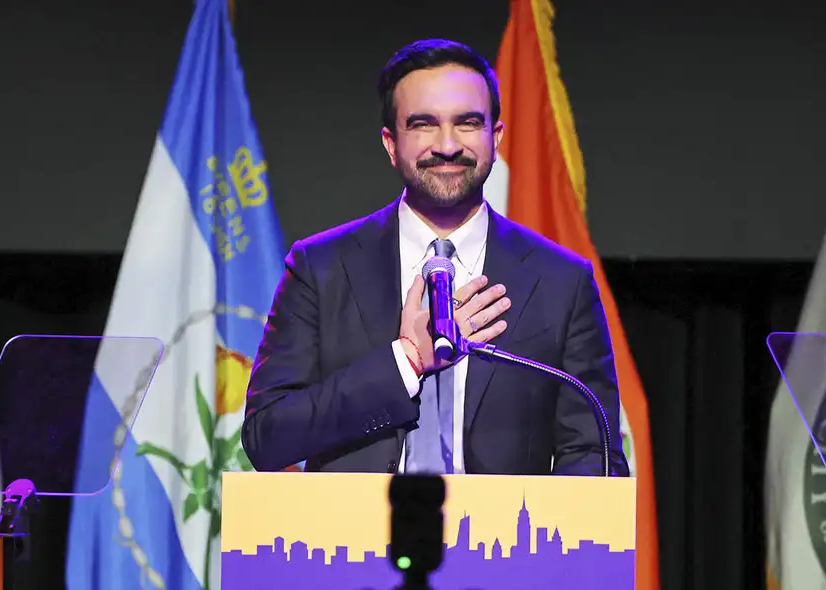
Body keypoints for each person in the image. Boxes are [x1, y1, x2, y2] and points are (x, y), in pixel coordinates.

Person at [241, 38, 629, 477]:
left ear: (495, 137)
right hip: (352, 542)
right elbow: (267, 438)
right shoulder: (320, 268)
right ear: (391, 143)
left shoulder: (561, 280)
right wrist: (405, 362)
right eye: (423, 124)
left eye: (467, 123)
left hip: (505, 543)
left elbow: (593, 454)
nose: (447, 145)